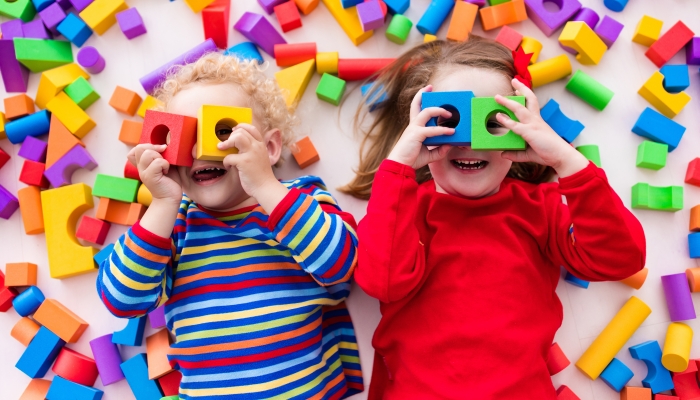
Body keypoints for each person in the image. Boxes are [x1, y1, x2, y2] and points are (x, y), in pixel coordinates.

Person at [341, 37, 645, 399]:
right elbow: (382, 283)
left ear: (523, 130)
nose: (471, 143)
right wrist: (398, 168)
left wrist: (566, 161)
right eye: (448, 121)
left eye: (494, 122)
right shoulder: (403, 208)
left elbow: (621, 258)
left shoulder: (540, 208)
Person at [97, 52, 363, 399]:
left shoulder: (300, 200)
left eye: (221, 131)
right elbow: (121, 300)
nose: (200, 151)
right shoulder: (173, 225)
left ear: (268, 148)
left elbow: (342, 266)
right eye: (183, 139)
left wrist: (267, 187)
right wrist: (162, 203)